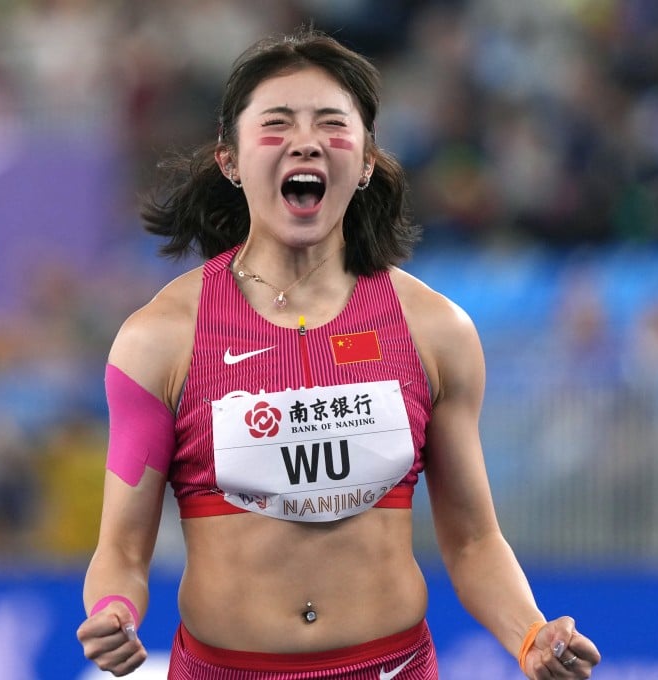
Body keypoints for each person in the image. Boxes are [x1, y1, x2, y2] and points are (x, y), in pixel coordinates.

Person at [76, 26, 601, 679]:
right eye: (276, 123)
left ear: (368, 159)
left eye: (331, 122)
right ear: (230, 162)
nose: (306, 140)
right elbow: (122, 549)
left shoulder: (435, 330)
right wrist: (115, 609)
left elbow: (472, 540)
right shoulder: (158, 340)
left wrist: (530, 635)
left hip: (392, 667)